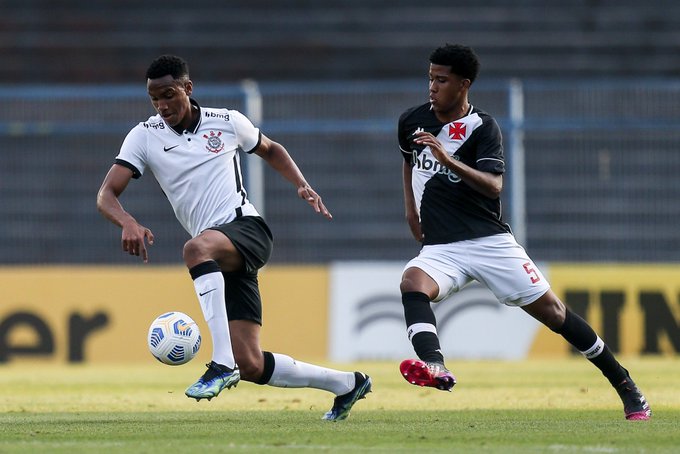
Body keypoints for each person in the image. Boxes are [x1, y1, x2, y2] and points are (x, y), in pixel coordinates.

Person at [96, 54, 371, 421]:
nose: (162, 106)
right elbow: (106, 194)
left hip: (246, 230)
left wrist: (301, 184)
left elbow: (271, 149)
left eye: (168, 95)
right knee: (251, 362)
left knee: (195, 249)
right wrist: (127, 221)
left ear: (188, 88)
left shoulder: (226, 122)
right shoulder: (144, 136)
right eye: (154, 98)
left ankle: (222, 364)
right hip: (219, 254)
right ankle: (347, 383)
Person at [396, 44, 651, 421]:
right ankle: (435, 366)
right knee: (412, 283)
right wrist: (410, 210)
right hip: (441, 246)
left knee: (555, 313)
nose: (432, 86)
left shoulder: (483, 127)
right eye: (430, 78)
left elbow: (493, 186)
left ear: (464, 84)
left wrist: (448, 160)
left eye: (442, 80)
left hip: (489, 241)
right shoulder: (411, 121)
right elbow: (408, 161)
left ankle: (625, 384)